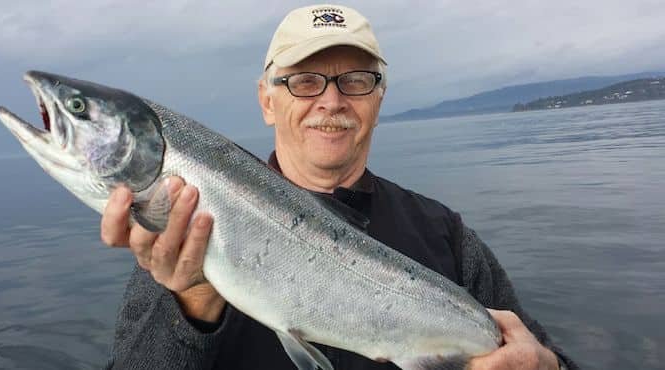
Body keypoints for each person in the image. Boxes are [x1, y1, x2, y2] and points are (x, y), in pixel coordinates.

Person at [100, 4, 576, 370]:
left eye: (355, 81)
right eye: (305, 81)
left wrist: (546, 364)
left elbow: (545, 354)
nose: (331, 101)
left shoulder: (446, 236)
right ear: (267, 101)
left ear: (379, 98)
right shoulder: (185, 235)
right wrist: (194, 302)